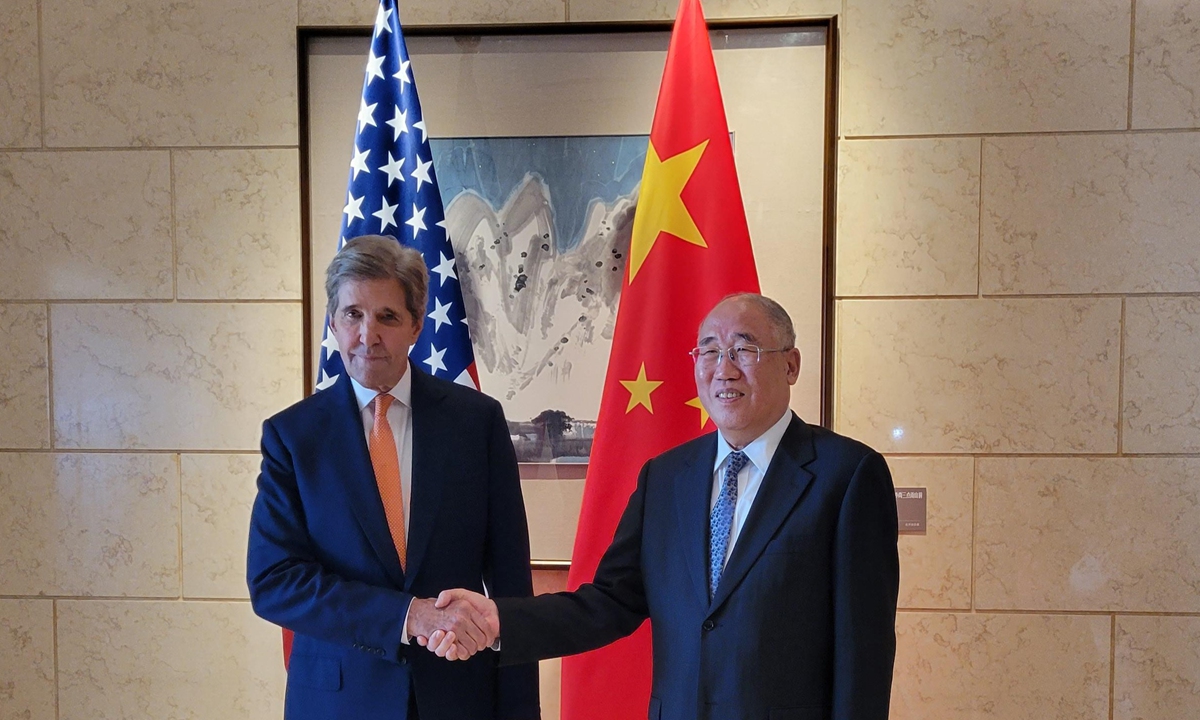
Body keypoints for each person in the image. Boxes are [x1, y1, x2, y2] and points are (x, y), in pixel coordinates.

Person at [421, 293, 899, 720]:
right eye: (708, 351)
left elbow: (863, 653)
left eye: (744, 350)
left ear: (791, 365)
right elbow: (609, 603)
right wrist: (498, 620)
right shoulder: (666, 478)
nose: (723, 368)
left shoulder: (847, 476)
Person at [246, 235, 539, 720]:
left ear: (416, 326)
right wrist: (406, 616)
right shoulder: (293, 437)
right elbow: (275, 582)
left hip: (459, 696)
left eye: (387, 316)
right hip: (338, 701)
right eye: (352, 315)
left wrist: (521, 710)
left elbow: (510, 584)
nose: (368, 335)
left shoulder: (476, 423)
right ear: (333, 323)